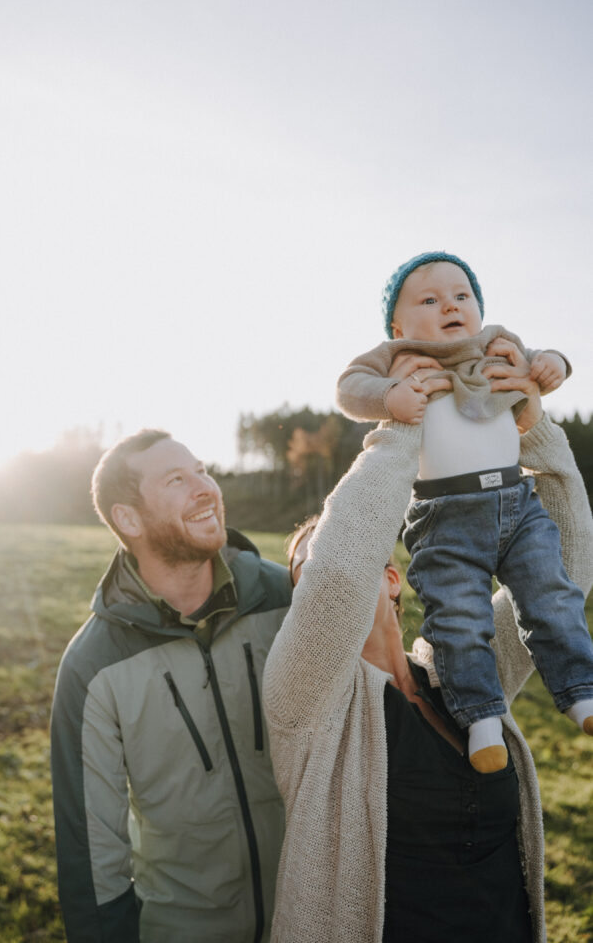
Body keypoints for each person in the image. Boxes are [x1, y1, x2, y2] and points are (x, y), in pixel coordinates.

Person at [263, 375, 593, 943]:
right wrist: (406, 422)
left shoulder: (460, 665)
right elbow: (339, 572)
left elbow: (564, 567)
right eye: (304, 570)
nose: (319, 574)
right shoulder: (304, 701)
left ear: (393, 578)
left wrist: (530, 429)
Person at [336, 251, 593, 770]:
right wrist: (391, 395)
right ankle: (481, 721)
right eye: (429, 299)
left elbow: (550, 361)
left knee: (552, 593)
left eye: (461, 296)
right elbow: (348, 388)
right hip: (444, 515)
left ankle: (582, 692)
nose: (450, 306)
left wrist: (552, 365)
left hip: (516, 502)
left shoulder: (497, 344)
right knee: (458, 619)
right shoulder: (398, 358)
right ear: (398, 324)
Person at [50, 429, 292, 943]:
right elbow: (93, 853)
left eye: (203, 470)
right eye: (178, 480)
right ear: (129, 519)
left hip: (316, 912)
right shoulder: (93, 667)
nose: (206, 487)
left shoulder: (285, 599)